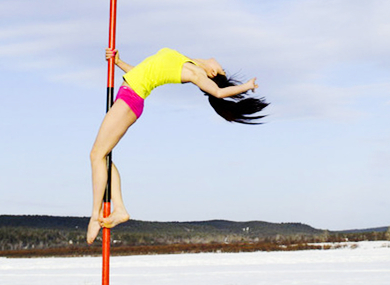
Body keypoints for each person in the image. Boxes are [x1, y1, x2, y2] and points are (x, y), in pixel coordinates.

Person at [87, 47, 268, 244]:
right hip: (129, 94)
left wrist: (246, 86)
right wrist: (119, 63)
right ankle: (120, 209)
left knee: (96, 155)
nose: (220, 64)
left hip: (130, 98)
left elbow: (217, 91)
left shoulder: (195, 73)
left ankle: (95, 216)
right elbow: (145, 72)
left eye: (221, 69)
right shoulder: (186, 61)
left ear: (212, 73)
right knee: (103, 155)